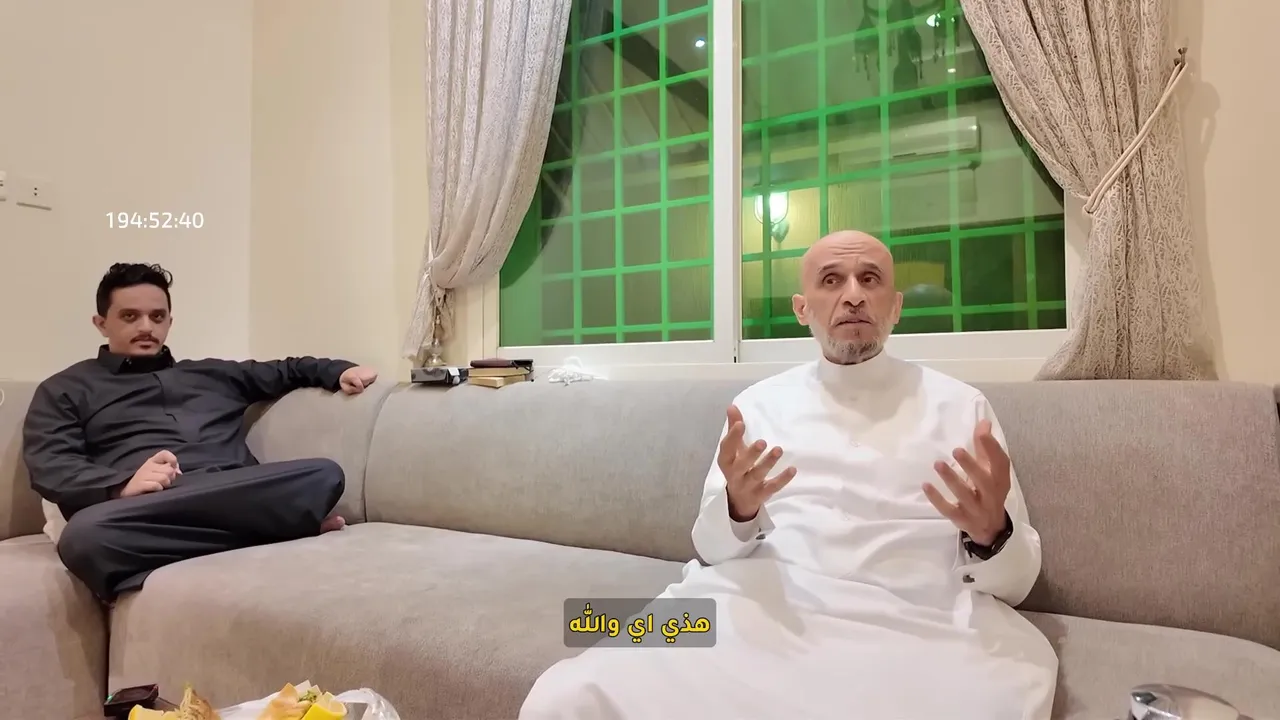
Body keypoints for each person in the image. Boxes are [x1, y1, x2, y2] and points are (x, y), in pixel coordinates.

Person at [520, 231, 1058, 719]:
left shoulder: (962, 407)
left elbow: (1016, 585)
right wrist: (739, 510)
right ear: (803, 308)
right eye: (832, 281)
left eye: (870, 279)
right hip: (761, 605)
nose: (853, 295)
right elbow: (711, 551)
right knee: (566, 697)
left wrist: (992, 535)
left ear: (895, 306)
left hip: (918, 618)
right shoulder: (758, 405)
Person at [21, 262, 380, 603]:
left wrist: (339, 371)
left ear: (170, 321)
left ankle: (185, 548)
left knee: (323, 474)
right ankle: (275, 530)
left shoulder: (213, 374)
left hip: (233, 488)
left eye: (157, 317)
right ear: (101, 323)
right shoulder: (65, 389)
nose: (146, 327)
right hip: (151, 504)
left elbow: (287, 370)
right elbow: (51, 463)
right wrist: (120, 486)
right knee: (83, 537)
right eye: (130, 316)